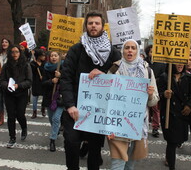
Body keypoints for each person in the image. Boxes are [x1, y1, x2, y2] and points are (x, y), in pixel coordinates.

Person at [60, 11, 121, 170]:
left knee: (94, 151)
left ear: (102, 26)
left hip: (99, 111)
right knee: (71, 144)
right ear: (86, 26)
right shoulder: (76, 50)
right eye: (90, 23)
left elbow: (121, 76)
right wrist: (70, 105)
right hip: (75, 108)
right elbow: (65, 78)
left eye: (97, 23)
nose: (93, 26)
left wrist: (106, 75)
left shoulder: (113, 52)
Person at [106, 39, 159, 170]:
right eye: (127, 47)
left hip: (138, 124)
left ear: (137, 51)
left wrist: (150, 94)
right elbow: (105, 96)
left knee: (129, 165)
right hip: (117, 122)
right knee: (117, 165)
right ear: (122, 51)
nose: (130, 50)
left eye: (133, 48)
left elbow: (153, 101)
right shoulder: (114, 69)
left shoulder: (147, 71)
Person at [158, 64, 191, 170]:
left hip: (183, 114)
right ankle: (171, 166)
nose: (180, 65)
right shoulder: (164, 77)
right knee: (172, 141)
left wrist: (189, 105)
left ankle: (169, 157)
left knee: (179, 140)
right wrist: (164, 94)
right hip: (169, 114)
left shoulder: (187, 77)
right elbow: (157, 94)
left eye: (182, 62)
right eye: (176, 62)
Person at [0, 45, 33, 148]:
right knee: (11, 116)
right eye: (13, 52)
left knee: (20, 114)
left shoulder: (26, 65)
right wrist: (8, 85)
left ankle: (24, 128)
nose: (15, 54)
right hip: (9, 93)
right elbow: (1, 80)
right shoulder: (6, 66)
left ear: (20, 53)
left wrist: (19, 85)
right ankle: (12, 137)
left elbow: (29, 81)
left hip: (21, 93)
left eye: (17, 52)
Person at [42, 50, 63, 152]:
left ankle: (52, 140)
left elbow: (69, 81)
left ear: (59, 57)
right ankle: (56, 130)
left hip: (59, 98)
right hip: (49, 97)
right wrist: (51, 81)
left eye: (56, 55)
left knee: (56, 118)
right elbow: (43, 83)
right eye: (52, 56)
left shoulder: (64, 67)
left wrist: (60, 76)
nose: (54, 57)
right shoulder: (45, 68)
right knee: (51, 118)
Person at [144, 45, 166, 138]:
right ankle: (145, 125)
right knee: (145, 108)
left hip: (155, 88)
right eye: (150, 51)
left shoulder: (161, 63)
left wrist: (155, 80)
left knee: (155, 108)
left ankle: (155, 127)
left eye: (154, 51)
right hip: (142, 88)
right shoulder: (144, 62)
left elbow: (164, 76)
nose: (152, 53)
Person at [0, 38, 11, 126]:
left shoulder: (12, 54)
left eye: (6, 42)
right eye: (3, 42)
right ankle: (1, 118)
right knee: (0, 101)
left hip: (8, 80)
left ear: (9, 44)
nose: (4, 43)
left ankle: (11, 117)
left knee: (8, 100)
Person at [30, 49, 46, 118]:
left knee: (44, 97)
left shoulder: (45, 64)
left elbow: (46, 72)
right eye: (42, 55)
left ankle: (43, 109)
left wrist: (43, 76)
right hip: (35, 82)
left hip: (43, 82)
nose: (44, 57)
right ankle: (34, 112)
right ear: (38, 56)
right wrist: (36, 65)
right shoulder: (32, 63)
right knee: (34, 97)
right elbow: (31, 72)